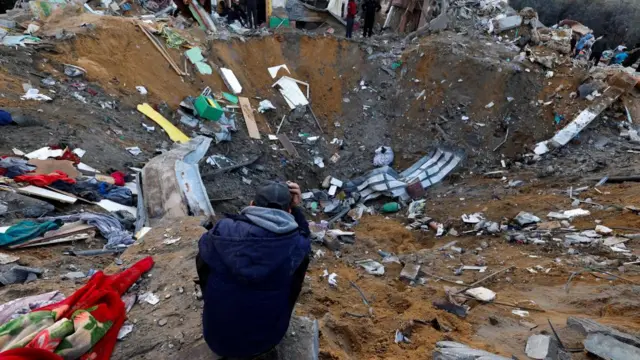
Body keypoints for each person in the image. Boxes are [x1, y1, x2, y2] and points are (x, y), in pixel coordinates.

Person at [196, 181, 311, 359]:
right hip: (265, 341)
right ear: (288, 212)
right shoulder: (295, 245)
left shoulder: (222, 230)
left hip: (216, 339)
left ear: (251, 205)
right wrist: (296, 209)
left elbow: (202, 265)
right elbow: (305, 241)